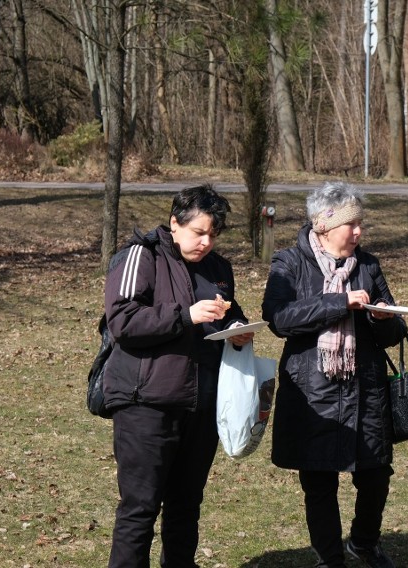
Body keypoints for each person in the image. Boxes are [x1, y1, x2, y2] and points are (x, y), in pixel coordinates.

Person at [102, 184, 255, 568]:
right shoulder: (141, 255)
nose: (205, 242)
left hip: (201, 406)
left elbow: (228, 313)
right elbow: (122, 320)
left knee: (185, 509)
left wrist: (238, 329)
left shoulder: (219, 269)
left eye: (212, 235)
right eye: (198, 232)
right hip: (146, 404)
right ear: (175, 222)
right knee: (140, 508)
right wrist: (185, 315)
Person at [262, 182, 407, 568]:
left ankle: (364, 542)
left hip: (366, 391)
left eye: (361, 224)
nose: (358, 232)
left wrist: (382, 318)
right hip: (313, 392)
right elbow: (278, 318)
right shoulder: (289, 262)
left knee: (376, 475)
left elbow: (394, 334)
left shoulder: (369, 265)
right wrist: (338, 302)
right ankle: (329, 557)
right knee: (319, 483)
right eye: (351, 225)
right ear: (324, 227)